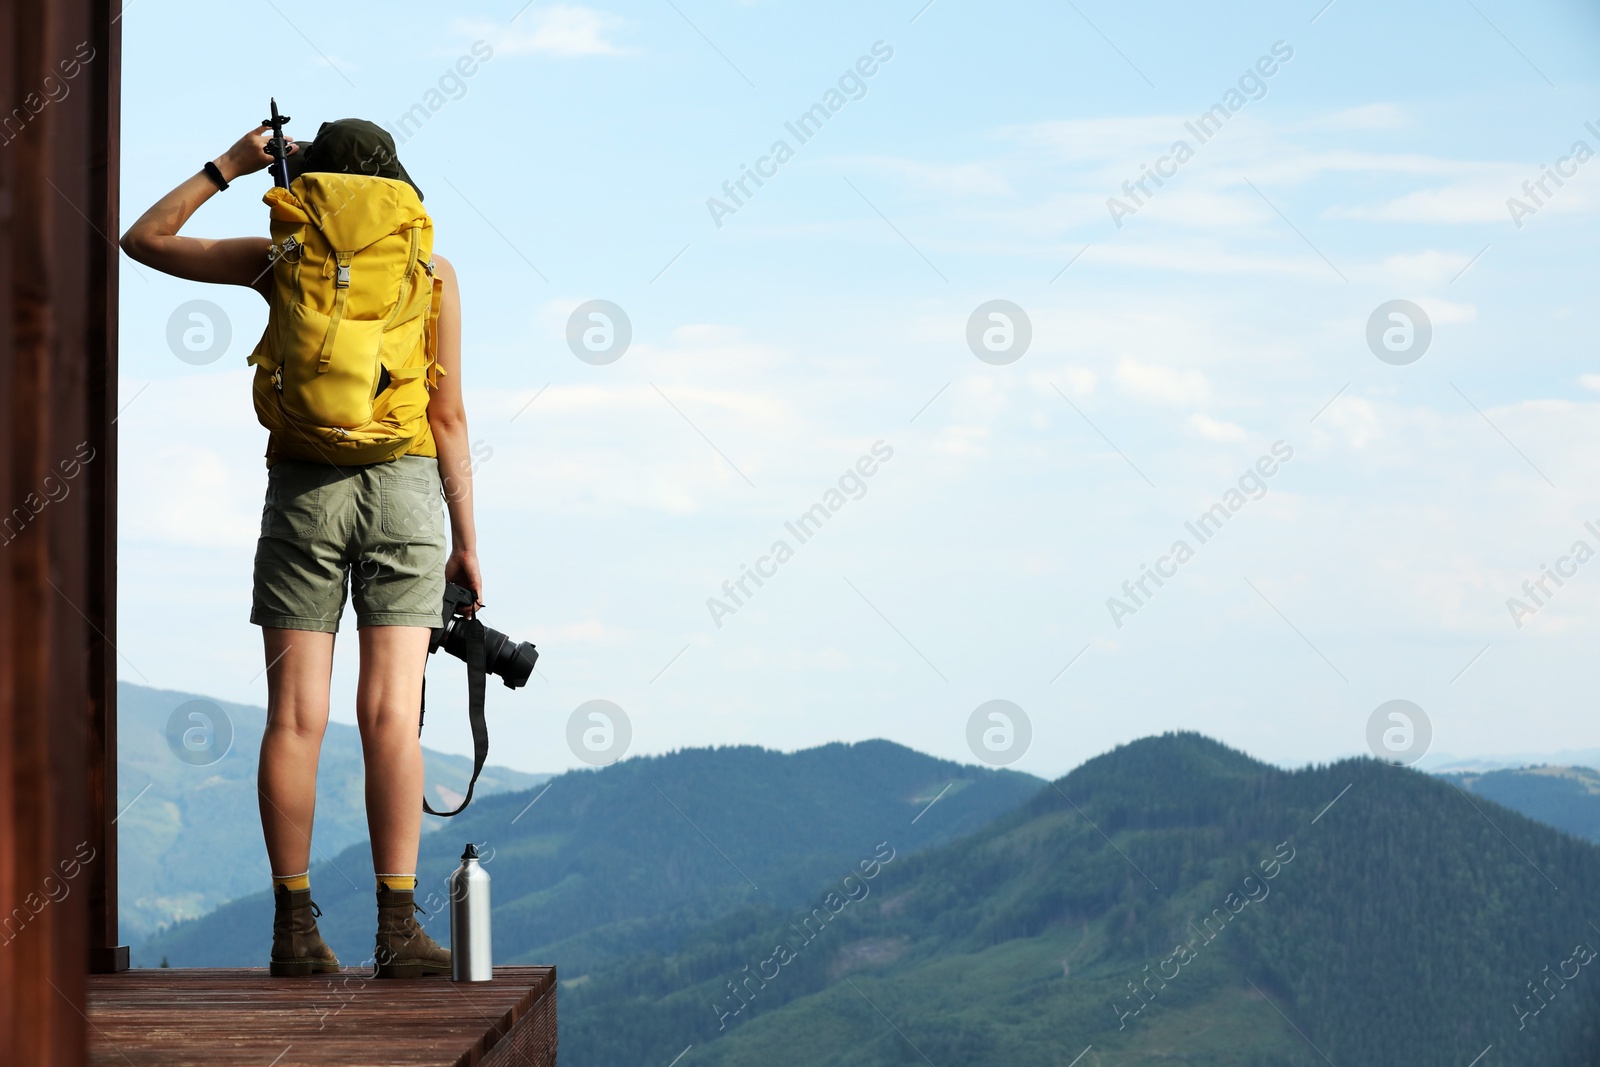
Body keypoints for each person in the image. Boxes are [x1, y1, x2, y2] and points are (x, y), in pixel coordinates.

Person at [120, 120, 483, 978]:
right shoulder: (430, 272)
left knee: (294, 716)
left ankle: (294, 930)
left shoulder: (279, 256)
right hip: (403, 490)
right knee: (391, 712)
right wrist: (467, 543)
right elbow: (449, 416)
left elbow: (144, 240)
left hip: (302, 490)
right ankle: (398, 930)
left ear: (310, 180)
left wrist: (227, 166)